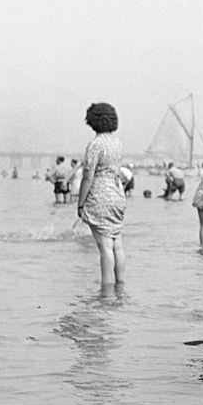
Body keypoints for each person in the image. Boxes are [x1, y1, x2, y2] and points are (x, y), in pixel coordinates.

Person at [77, 104, 127, 285]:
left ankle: (105, 291)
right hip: (117, 193)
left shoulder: (95, 144)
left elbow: (88, 177)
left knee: (105, 247)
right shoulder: (117, 143)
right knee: (117, 246)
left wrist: (80, 204)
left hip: (100, 194)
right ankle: (120, 286)